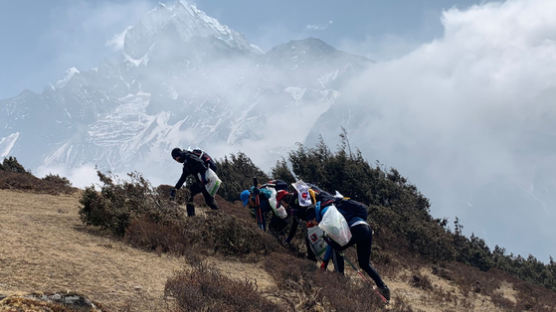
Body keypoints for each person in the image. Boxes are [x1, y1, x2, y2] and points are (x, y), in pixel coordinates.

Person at [316, 192, 391, 303]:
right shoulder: (345, 204)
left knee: (337, 248)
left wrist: (328, 246)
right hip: (367, 229)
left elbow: (335, 239)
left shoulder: (331, 211)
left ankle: (340, 279)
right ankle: (383, 287)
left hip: (356, 228)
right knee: (364, 264)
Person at [170, 147, 218, 216]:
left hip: (206, 180)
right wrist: (175, 189)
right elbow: (182, 179)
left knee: (189, 194)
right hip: (205, 181)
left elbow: (201, 163)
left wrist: (203, 179)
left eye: (175, 158)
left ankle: (191, 218)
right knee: (209, 201)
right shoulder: (186, 163)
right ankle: (220, 217)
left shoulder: (189, 158)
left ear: (178, 155)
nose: (176, 160)